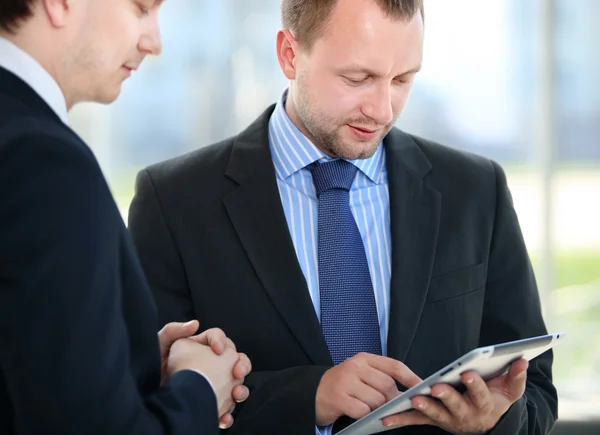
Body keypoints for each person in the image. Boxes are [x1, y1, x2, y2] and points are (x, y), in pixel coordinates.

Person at [128, 0, 558, 434]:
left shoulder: (475, 191)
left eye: (403, 79)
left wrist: (496, 420)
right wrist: (307, 398)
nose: (383, 110)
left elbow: (536, 388)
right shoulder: (174, 203)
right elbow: (145, 401)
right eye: (359, 78)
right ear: (289, 55)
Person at [0, 1, 252, 434]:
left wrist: (126, 361)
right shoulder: (46, 163)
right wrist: (199, 390)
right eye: (140, 9)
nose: (153, 42)